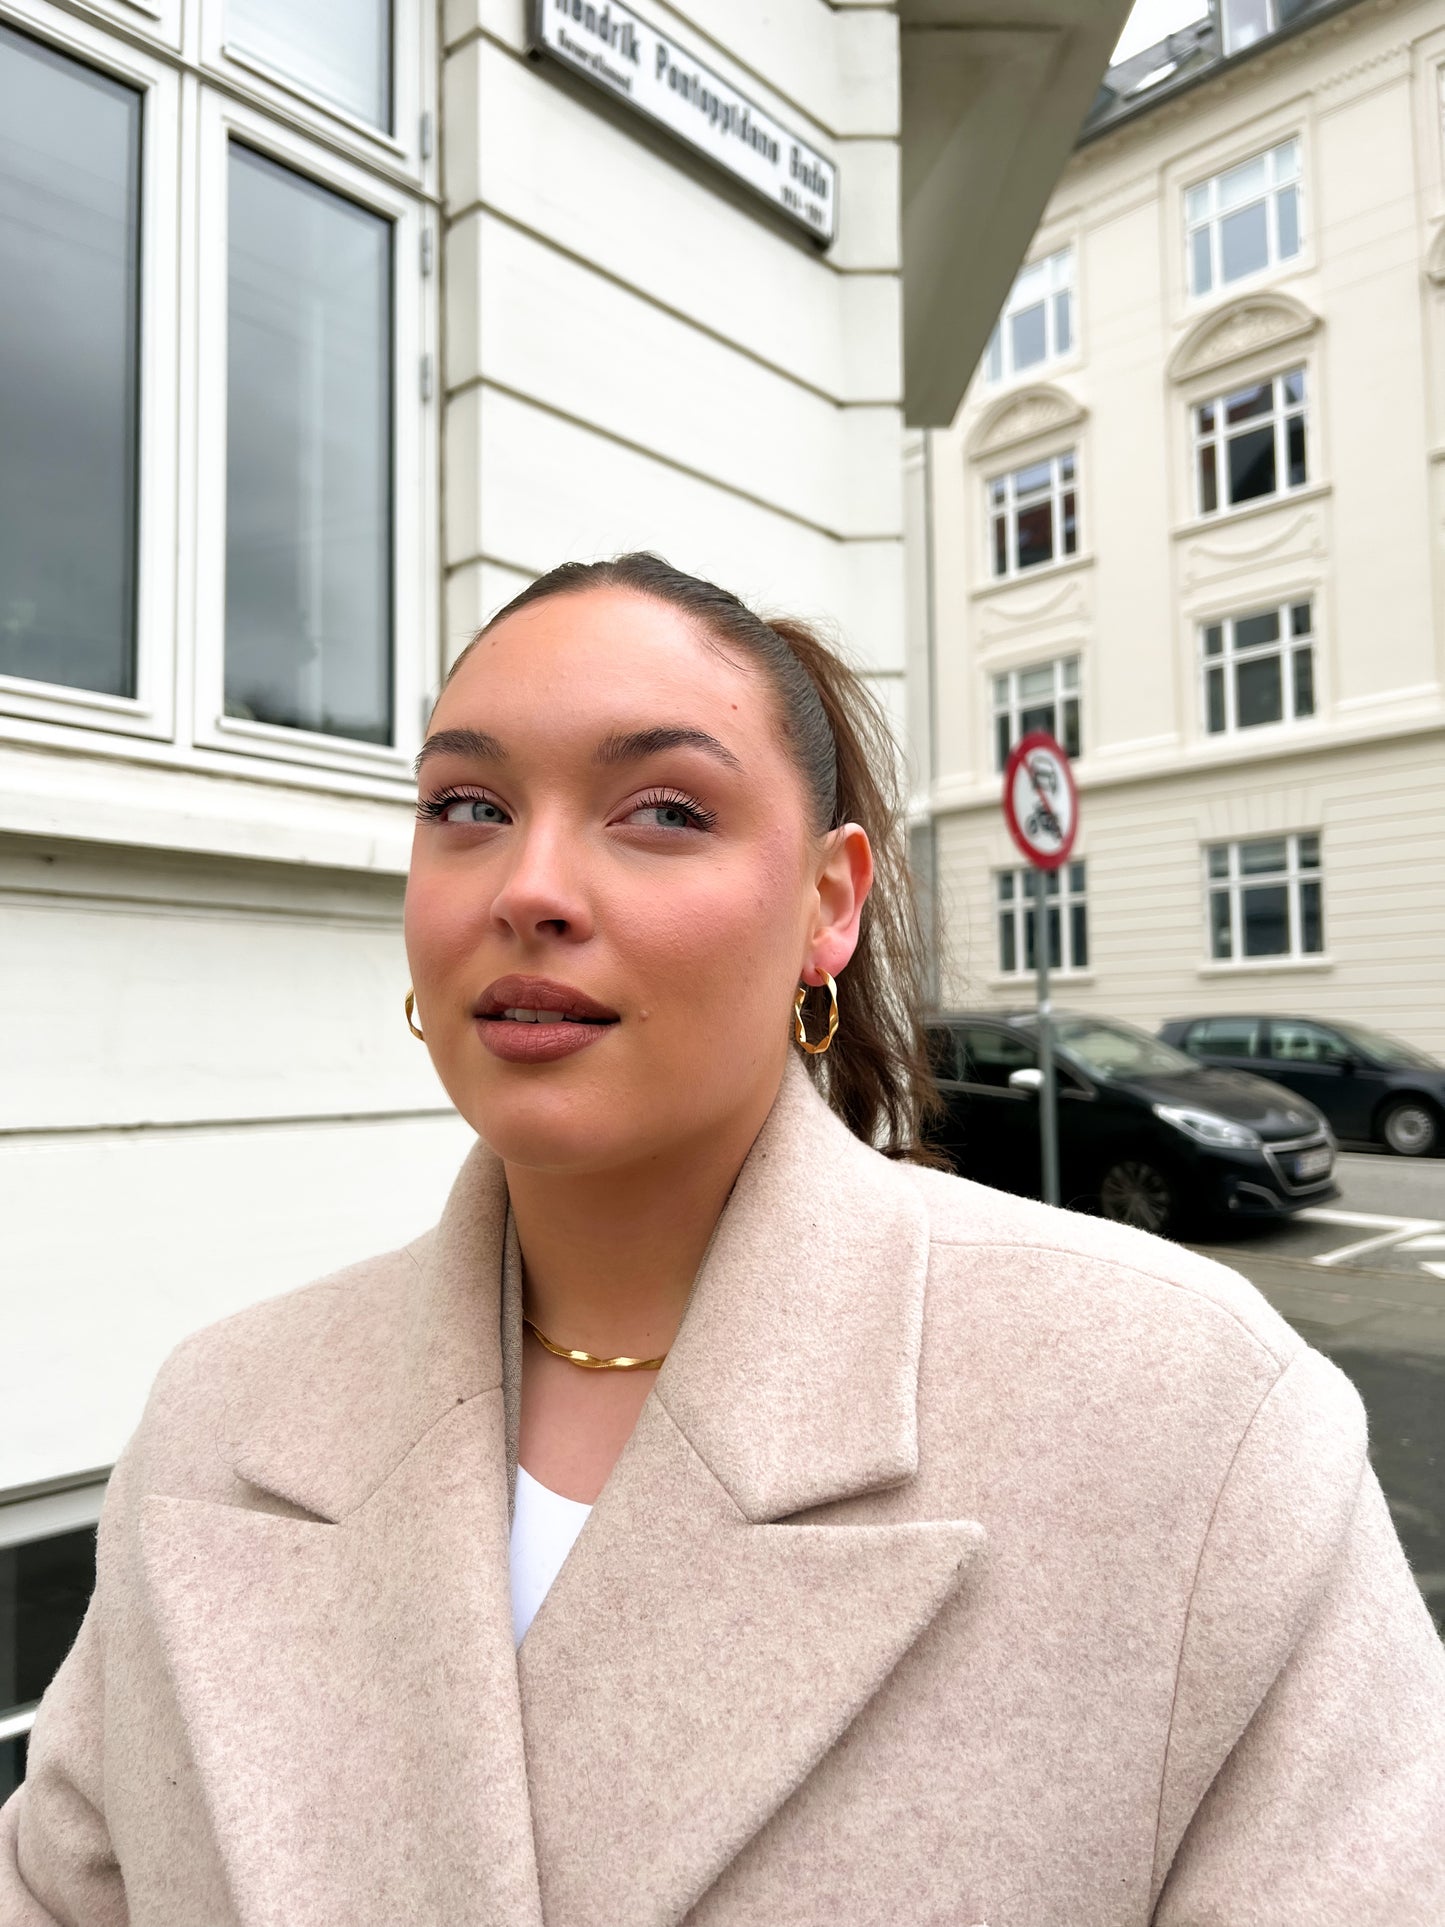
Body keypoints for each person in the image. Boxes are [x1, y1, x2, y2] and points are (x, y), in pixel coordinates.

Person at [3, 553, 1443, 1927]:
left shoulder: (1186, 1420)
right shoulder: (224, 1416)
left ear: (827, 904)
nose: (529, 887)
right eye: (466, 806)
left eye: (665, 812)